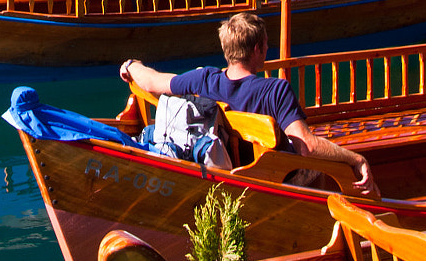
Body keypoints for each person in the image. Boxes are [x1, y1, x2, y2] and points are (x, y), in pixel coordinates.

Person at [120, 11, 378, 195]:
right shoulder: (275, 91)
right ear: (256, 49)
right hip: (270, 182)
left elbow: (153, 82)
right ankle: (321, 218)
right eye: (265, 44)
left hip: (225, 171)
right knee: (324, 162)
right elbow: (307, 146)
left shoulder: (204, 79)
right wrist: (355, 159)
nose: (267, 48)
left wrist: (132, 66)